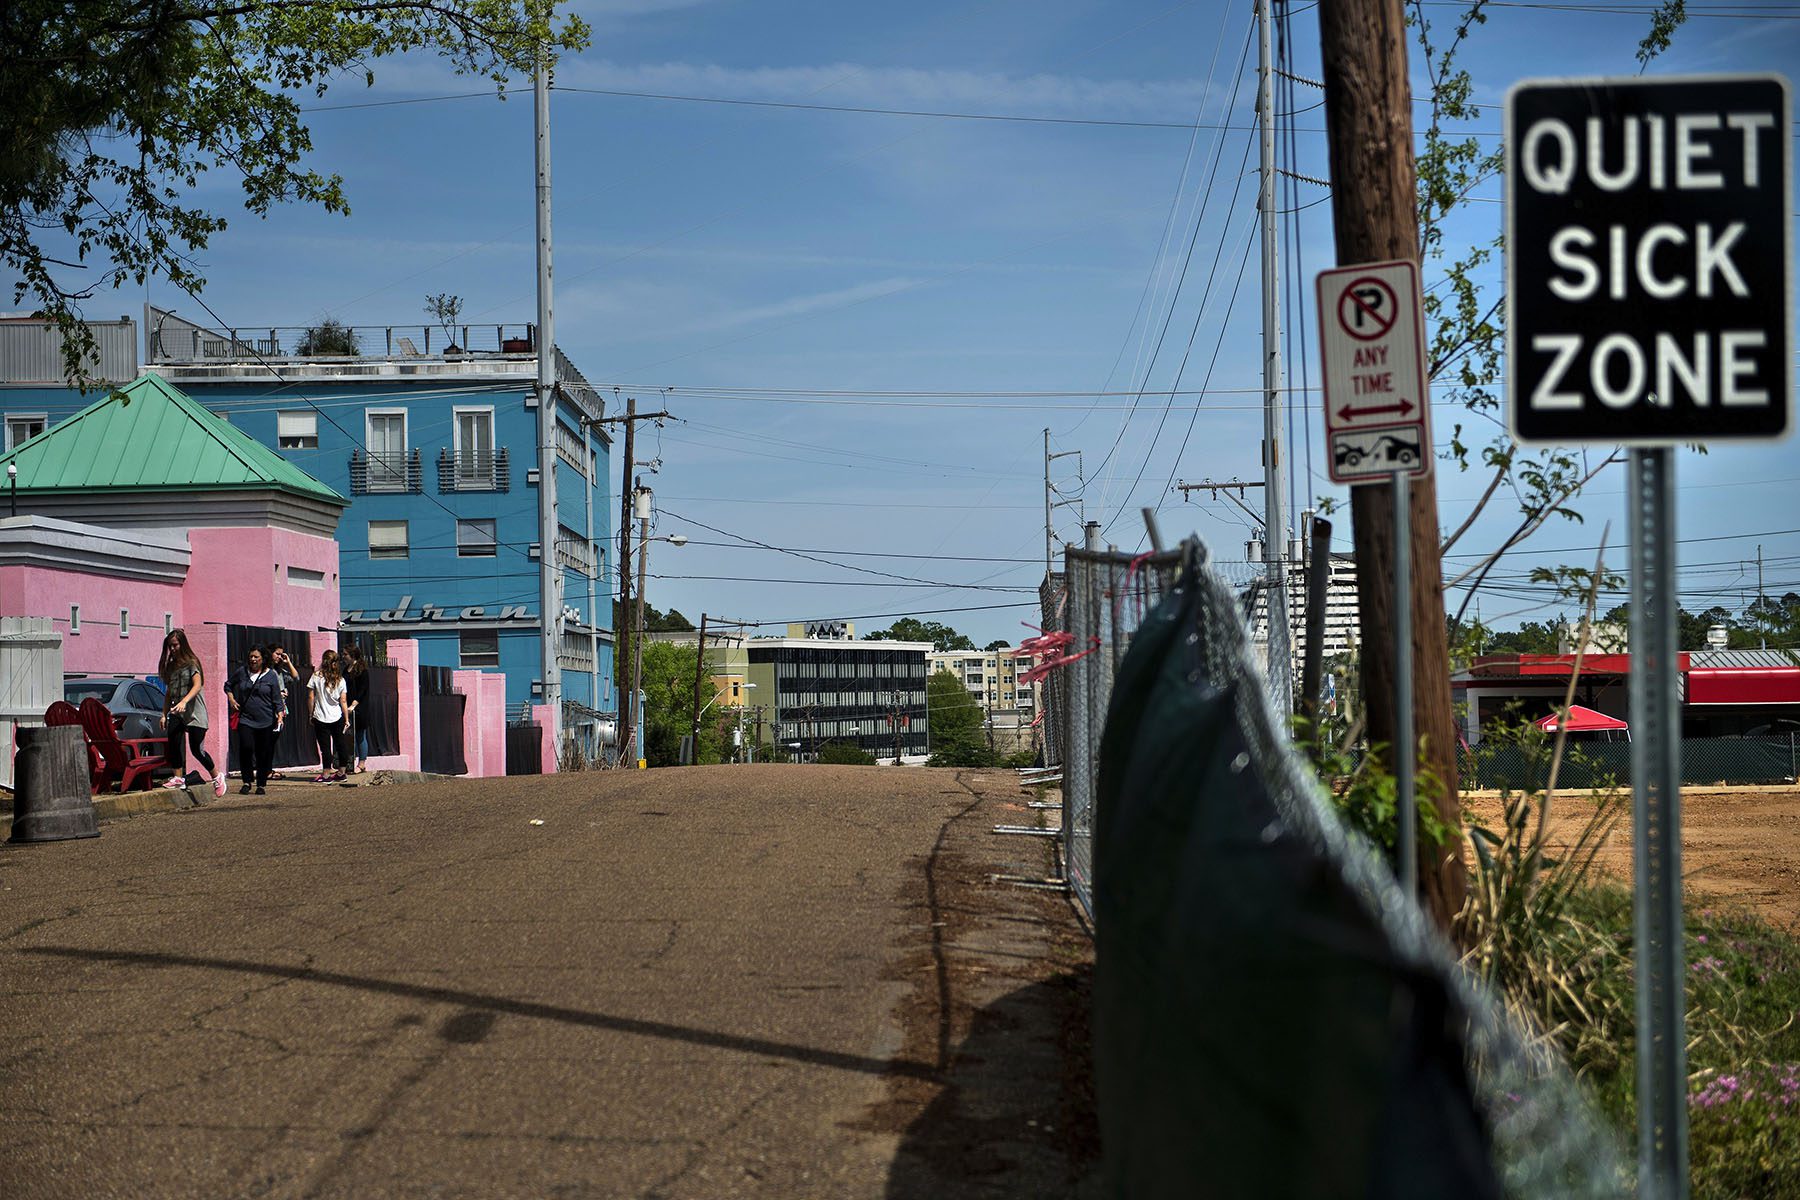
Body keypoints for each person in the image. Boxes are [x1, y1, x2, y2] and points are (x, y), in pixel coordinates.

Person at [158, 629, 224, 798]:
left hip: (195, 713)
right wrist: (164, 714)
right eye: (170, 646)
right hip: (177, 712)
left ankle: (217, 776)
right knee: (173, 739)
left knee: (197, 750)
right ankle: (178, 777)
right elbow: (168, 692)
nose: (172, 649)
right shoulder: (171, 667)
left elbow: (197, 685)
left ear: (182, 644)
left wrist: (184, 701)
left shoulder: (192, 663)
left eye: (175, 645)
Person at [226, 644, 286, 795]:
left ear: (263, 659)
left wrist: (280, 716)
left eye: (256, 657)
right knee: (246, 748)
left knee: (262, 752)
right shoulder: (242, 672)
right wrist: (232, 700)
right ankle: (246, 781)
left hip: (266, 720)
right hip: (246, 719)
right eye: (251, 656)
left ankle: (261, 784)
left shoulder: (271, 675)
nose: (252, 659)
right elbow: (227, 685)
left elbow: (277, 699)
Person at [307, 649, 350, 783]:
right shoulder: (341, 680)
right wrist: (347, 718)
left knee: (325, 746)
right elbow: (343, 701)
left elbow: (310, 696)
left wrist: (310, 714)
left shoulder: (316, 676)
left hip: (320, 716)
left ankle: (326, 774)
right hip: (337, 716)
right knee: (340, 743)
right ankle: (342, 772)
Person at [343, 643, 370, 773]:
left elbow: (363, 690)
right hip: (346, 706)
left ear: (353, 656)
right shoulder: (345, 670)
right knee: (348, 736)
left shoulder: (362, 671)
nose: (343, 657)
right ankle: (348, 763)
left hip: (359, 707)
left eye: (345, 654)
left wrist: (354, 704)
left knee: (360, 735)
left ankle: (362, 763)